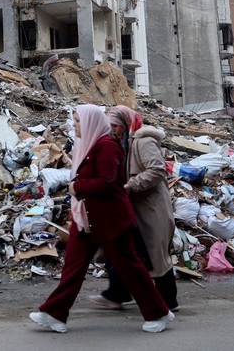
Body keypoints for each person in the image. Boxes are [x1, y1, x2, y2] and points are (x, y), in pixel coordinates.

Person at [29, 104, 173, 334]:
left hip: (110, 220)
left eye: (77, 121)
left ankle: (159, 312)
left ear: (90, 123)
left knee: (131, 268)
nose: (74, 125)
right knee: (73, 268)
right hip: (87, 219)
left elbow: (107, 182)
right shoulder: (87, 145)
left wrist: (77, 186)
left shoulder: (106, 147)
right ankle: (54, 313)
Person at [88, 105, 179, 311]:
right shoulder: (121, 142)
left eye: (116, 126)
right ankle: (117, 293)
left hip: (151, 208)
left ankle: (168, 302)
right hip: (133, 207)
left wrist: (131, 185)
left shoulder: (142, 140)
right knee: (123, 250)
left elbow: (156, 170)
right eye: (109, 126)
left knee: (155, 254)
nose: (112, 130)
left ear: (126, 124)